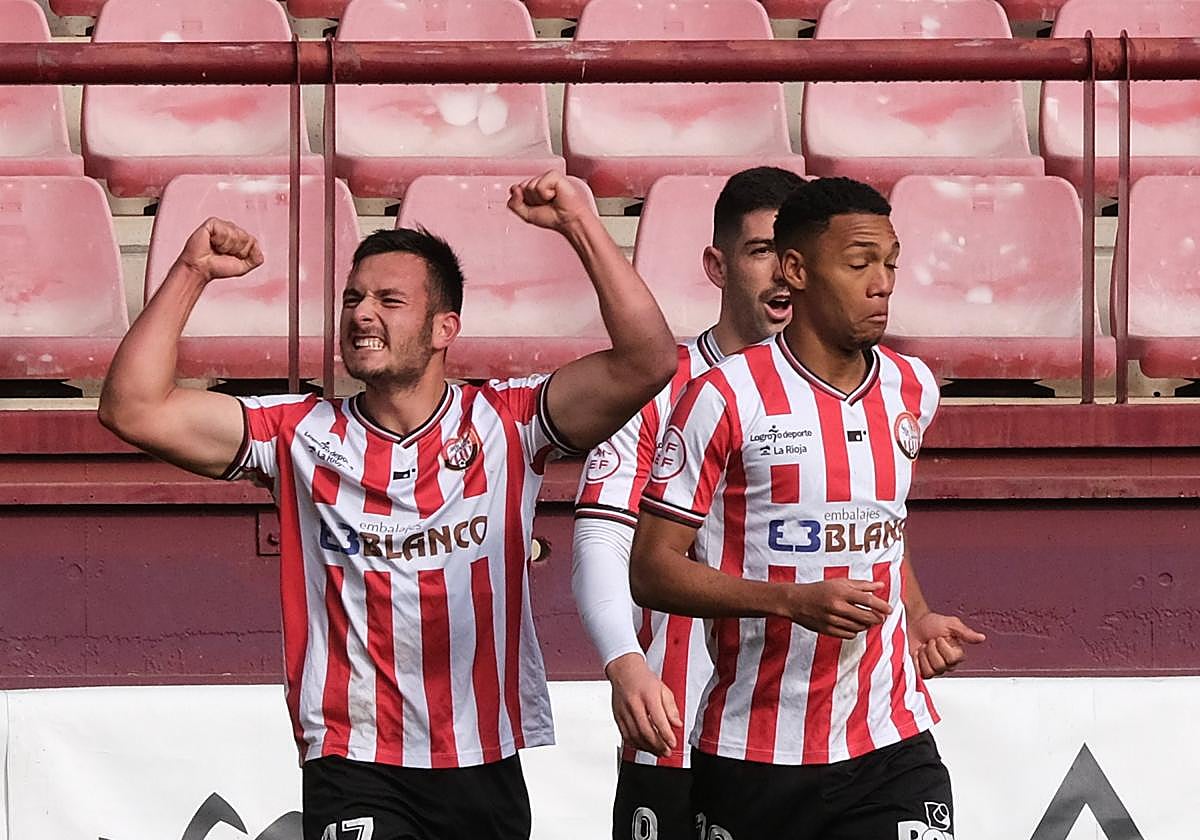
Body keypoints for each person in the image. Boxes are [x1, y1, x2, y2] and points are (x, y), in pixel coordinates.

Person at [97, 171, 678, 840]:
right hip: (356, 757)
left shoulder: (510, 422)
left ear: (444, 328)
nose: (361, 313)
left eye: (388, 299)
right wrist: (191, 271)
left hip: (484, 757)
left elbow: (649, 360)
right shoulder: (298, 433)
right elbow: (132, 408)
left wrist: (580, 223)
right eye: (352, 297)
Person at [628, 177, 986, 840]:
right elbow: (650, 570)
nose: (881, 282)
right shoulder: (723, 397)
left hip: (890, 742)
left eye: (890, 263)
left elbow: (879, 528)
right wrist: (789, 601)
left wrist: (918, 615)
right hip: (755, 752)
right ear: (796, 271)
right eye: (858, 264)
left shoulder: (912, 387)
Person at [571, 166, 804, 840]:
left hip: (815, 745)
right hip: (675, 731)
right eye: (762, 252)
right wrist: (626, 660)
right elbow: (602, 540)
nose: (784, 275)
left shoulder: (853, 393)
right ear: (718, 264)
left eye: (796, 255)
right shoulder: (654, 387)